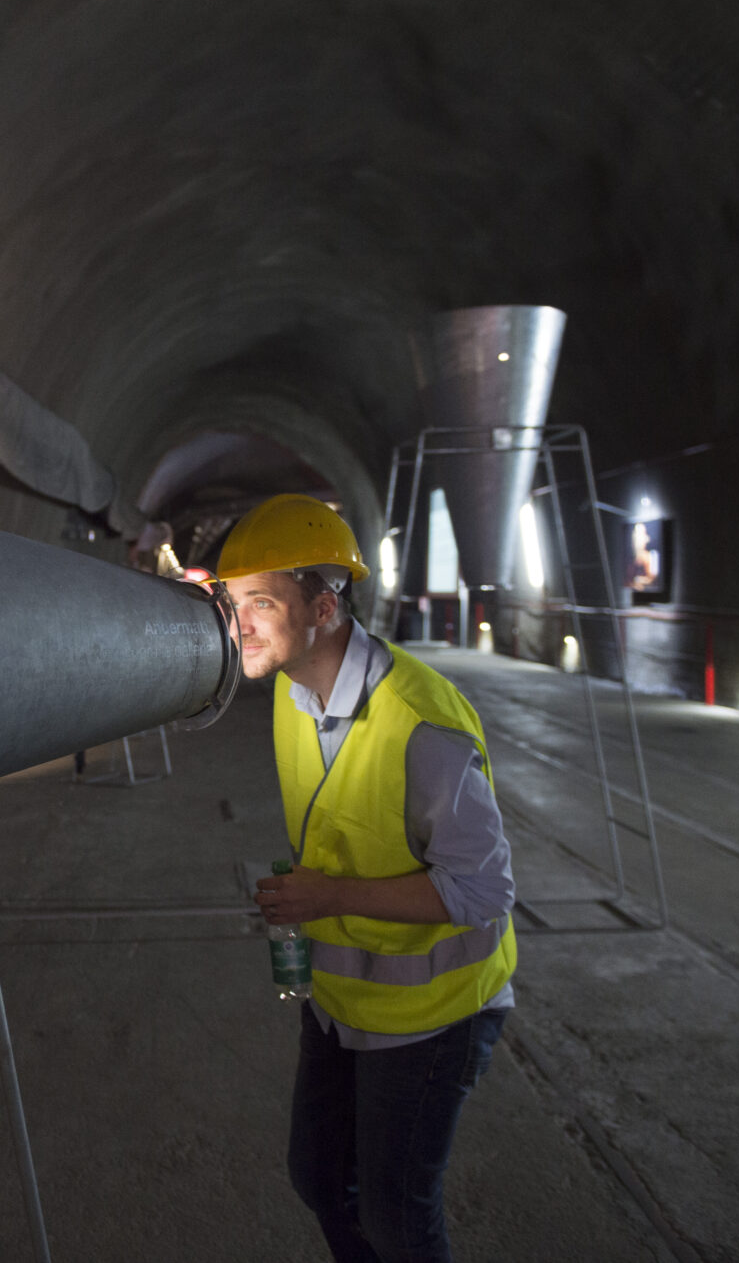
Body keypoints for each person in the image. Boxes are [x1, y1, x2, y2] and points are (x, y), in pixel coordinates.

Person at [219, 493, 517, 1263]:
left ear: (322, 607)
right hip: (342, 997)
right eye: (230, 602)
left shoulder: (421, 725)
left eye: (259, 602)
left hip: (434, 1012)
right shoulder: (291, 694)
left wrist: (329, 897)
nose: (236, 623)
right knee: (318, 1177)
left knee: (398, 1220)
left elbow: (485, 891)